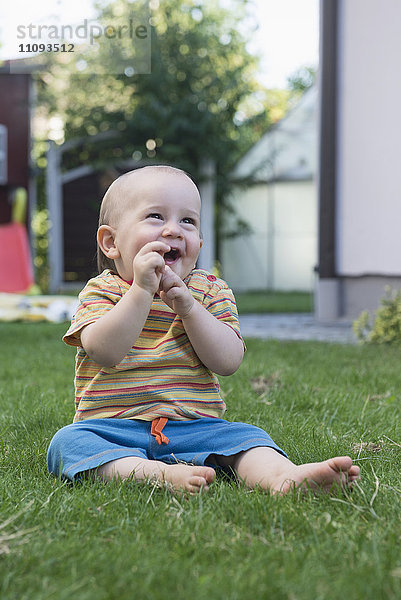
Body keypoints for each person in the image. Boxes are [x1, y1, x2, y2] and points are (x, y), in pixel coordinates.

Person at [47, 165, 360, 495]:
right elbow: (104, 351)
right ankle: (148, 473)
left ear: (199, 240)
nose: (174, 230)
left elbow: (227, 362)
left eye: (188, 221)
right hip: (113, 428)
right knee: (68, 443)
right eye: (155, 216)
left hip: (197, 427)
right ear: (111, 242)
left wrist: (189, 308)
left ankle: (283, 478)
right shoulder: (101, 292)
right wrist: (141, 290)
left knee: (247, 438)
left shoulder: (209, 291)